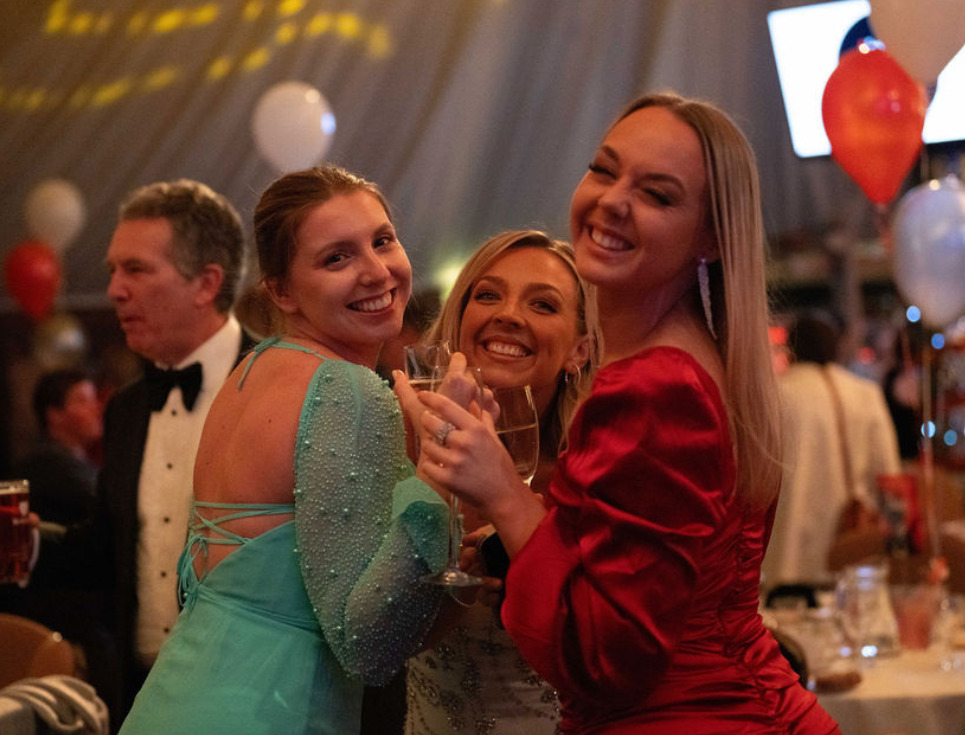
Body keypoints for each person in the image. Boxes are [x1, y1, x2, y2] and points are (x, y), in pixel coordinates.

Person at [397, 92, 841, 732]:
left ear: (711, 237)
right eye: (604, 170)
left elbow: (607, 659)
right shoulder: (698, 359)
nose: (612, 200)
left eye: (658, 195)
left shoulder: (658, 386)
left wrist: (502, 490)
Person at [117, 164, 452, 733]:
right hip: (270, 711)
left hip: (174, 702)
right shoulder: (346, 389)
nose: (377, 271)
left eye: (382, 240)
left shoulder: (251, 371)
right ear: (282, 290)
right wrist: (445, 477)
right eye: (337, 258)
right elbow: (369, 646)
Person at [404, 230, 600, 734]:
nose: (509, 314)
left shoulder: (598, 476)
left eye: (543, 304)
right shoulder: (401, 451)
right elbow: (368, 648)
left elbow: (608, 653)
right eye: (488, 294)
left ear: (580, 349)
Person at [98, 178, 256, 724]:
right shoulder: (124, 410)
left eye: (136, 270)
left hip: (251, 701)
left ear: (206, 282)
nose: (115, 290)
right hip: (141, 700)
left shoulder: (280, 386)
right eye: (113, 272)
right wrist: (31, 546)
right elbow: (110, 547)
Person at [762, 310, 902, 586]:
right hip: (850, 546)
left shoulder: (774, 395)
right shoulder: (865, 393)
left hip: (784, 549)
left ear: (792, 347)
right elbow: (889, 474)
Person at [1, 369, 110, 685]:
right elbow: (113, 506)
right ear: (54, 414)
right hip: (59, 614)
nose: (97, 409)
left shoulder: (77, 462)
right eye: (82, 400)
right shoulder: (46, 461)